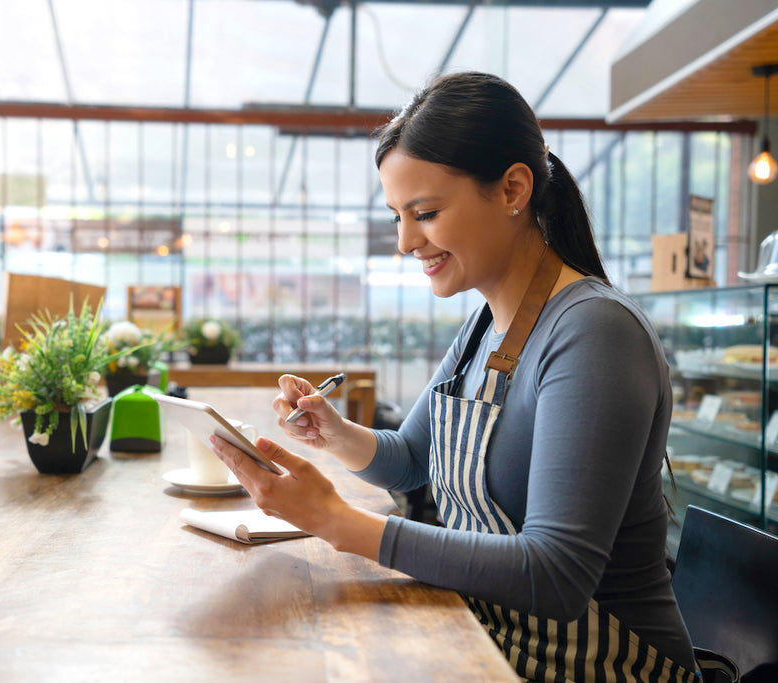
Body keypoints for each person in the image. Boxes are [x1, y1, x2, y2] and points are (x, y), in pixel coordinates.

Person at [209, 72, 700, 682]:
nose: (406, 240)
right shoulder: (483, 326)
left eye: (426, 212)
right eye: (397, 216)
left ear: (513, 188)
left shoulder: (593, 332)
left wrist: (338, 521)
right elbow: (413, 458)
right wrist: (331, 431)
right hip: (500, 641)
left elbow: (556, 575)